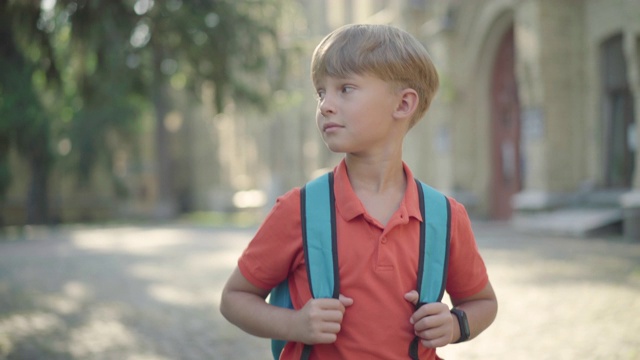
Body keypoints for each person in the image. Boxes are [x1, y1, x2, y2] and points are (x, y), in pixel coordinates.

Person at [220, 23, 497, 359]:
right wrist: (295, 324)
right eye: (321, 92)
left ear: (404, 104)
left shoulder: (446, 216)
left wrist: (455, 325)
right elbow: (234, 298)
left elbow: (483, 302)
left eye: (346, 89)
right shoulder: (299, 209)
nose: (325, 106)